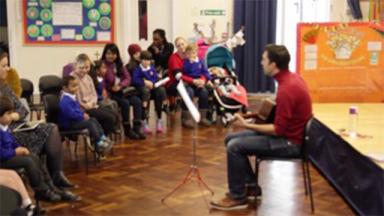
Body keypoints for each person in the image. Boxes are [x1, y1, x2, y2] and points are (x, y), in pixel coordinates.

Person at [210, 44, 312, 210]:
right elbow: (281, 118)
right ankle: (251, 186)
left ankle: (238, 197)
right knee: (230, 139)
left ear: (273, 65)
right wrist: (250, 118)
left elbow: (278, 129)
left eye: (264, 59)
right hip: (290, 136)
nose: (261, 62)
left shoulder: (287, 89)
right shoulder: (291, 79)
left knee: (234, 146)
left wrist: (245, 125)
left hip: (290, 144)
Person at [0, 47, 75, 190]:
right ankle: (47, 182)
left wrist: (15, 115)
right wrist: (8, 118)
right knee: (45, 135)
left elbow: (23, 109)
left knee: (51, 128)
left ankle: (57, 175)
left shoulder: (5, 87)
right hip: (6, 134)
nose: (8, 69)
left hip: (18, 125)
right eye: (4, 66)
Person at [0, 95, 62, 202]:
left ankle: (50, 186)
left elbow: (13, 143)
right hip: (3, 159)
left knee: (33, 156)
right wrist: (15, 152)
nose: (11, 117)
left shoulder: (5, 128)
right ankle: (41, 190)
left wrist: (19, 148)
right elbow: (1, 153)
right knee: (28, 161)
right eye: (8, 114)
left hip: (8, 155)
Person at [101, 43, 146, 140]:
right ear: (105, 54)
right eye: (108, 53)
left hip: (122, 91)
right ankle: (127, 129)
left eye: (113, 54)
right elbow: (102, 81)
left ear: (117, 55)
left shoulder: (119, 64)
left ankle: (137, 128)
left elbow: (128, 78)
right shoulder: (102, 65)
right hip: (111, 93)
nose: (111, 56)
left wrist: (121, 85)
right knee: (125, 103)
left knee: (137, 101)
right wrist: (110, 89)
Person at [58, 76, 113, 153]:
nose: (76, 88)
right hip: (70, 124)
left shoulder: (72, 97)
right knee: (90, 123)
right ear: (65, 88)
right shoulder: (65, 100)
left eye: (76, 85)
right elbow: (71, 114)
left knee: (93, 119)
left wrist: (83, 113)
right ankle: (99, 143)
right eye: (73, 86)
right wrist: (82, 116)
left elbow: (77, 110)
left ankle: (102, 137)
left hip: (75, 120)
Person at [71, 53, 118, 135]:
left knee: (115, 115)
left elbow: (94, 94)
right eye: (81, 68)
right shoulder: (72, 79)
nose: (85, 70)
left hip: (92, 105)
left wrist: (92, 102)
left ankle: (102, 138)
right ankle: (99, 140)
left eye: (87, 67)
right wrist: (86, 105)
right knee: (109, 118)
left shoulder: (88, 77)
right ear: (75, 66)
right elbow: (75, 99)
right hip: (83, 109)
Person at [132, 51, 167, 134]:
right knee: (145, 92)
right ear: (140, 60)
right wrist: (145, 82)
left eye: (148, 60)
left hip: (152, 88)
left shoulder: (151, 68)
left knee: (160, 91)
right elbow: (135, 80)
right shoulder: (137, 69)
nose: (146, 62)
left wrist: (153, 82)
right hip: (142, 90)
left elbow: (154, 78)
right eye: (144, 60)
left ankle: (160, 117)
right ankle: (144, 121)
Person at [181, 43, 213, 128]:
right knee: (189, 93)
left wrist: (208, 80)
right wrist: (190, 63)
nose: (191, 55)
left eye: (193, 53)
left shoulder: (201, 61)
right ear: (186, 53)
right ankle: (186, 118)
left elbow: (205, 71)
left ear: (197, 52)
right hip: (189, 83)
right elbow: (185, 73)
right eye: (189, 53)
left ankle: (202, 117)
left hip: (198, 82)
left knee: (204, 93)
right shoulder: (185, 62)